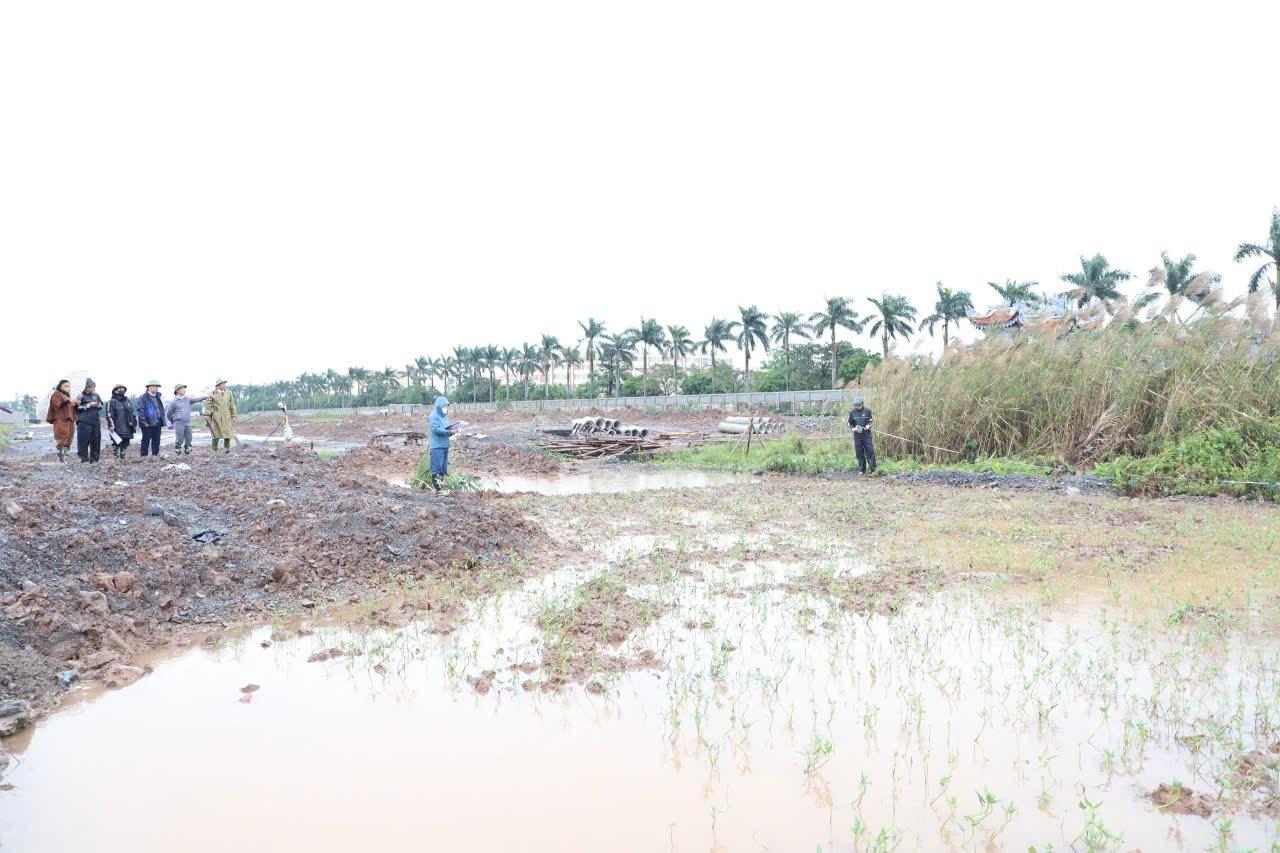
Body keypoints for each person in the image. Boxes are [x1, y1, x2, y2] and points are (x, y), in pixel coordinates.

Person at [166, 384, 207, 455]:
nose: (184, 390)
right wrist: (174, 421)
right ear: (177, 390)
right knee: (180, 437)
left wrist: (205, 397)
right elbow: (168, 414)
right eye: (182, 388)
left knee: (189, 437)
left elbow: (197, 399)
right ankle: (178, 448)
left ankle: (188, 448)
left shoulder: (188, 399)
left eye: (184, 388)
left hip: (188, 422)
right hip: (179, 423)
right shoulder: (173, 402)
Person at [427, 395, 458, 489]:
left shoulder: (445, 417)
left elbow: (446, 430)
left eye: (447, 406)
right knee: (436, 469)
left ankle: (440, 487)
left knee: (442, 469)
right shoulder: (433, 416)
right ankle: (437, 489)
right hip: (437, 446)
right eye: (444, 406)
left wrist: (453, 431)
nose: (446, 408)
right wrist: (449, 431)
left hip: (445, 445)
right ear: (439, 406)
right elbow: (436, 429)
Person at [46, 380, 77, 463]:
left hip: (70, 419)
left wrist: (75, 403)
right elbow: (57, 404)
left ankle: (65, 455)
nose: (68, 388)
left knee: (69, 436)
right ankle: (60, 456)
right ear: (60, 386)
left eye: (69, 386)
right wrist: (69, 401)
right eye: (66, 386)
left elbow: (72, 408)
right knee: (62, 436)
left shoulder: (68, 396)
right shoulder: (56, 394)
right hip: (60, 419)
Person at [202, 379, 237, 453]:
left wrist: (233, 415)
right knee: (215, 433)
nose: (224, 385)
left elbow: (232, 405)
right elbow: (208, 405)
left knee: (227, 432)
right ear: (218, 385)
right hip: (216, 416)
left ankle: (227, 447)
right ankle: (214, 449)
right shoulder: (212, 393)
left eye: (224, 383)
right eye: (222, 384)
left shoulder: (229, 393)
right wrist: (207, 414)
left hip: (226, 415)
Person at [75, 378, 105, 463]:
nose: (93, 388)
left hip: (95, 421)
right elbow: (76, 408)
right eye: (91, 387)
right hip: (83, 422)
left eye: (93, 386)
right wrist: (88, 405)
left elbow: (101, 405)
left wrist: (98, 405)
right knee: (83, 442)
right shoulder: (79, 396)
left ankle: (94, 461)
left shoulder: (96, 395)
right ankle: (84, 460)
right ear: (86, 387)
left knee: (96, 441)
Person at [134, 381, 166, 458]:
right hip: (147, 422)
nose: (157, 388)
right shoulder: (142, 397)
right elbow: (140, 410)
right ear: (149, 387)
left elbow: (160, 409)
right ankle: (143, 456)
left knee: (156, 440)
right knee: (146, 440)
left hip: (157, 422)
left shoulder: (158, 397)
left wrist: (162, 420)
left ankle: (155, 455)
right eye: (155, 387)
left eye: (157, 387)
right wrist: (144, 422)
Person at [106, 385, 138, 460]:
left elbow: (132, 413)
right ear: (115, 391)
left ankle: (123, 461)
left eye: (123, 388)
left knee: (125, 446)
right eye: (120, 388)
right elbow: (109, 415)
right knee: (117, 445)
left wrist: (134, 423)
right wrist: (110, 425)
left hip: (128, 428)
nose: (122, 389)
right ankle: (117, 461)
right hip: (117, 428)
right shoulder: (112, 402)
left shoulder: (127, 401)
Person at [847, 394, 876, 474]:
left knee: (870, 451)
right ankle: (862, 469)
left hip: (866, 435)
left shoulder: (867, 411)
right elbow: (849, 423)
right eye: (856, 406)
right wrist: (853, 428)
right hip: (857, 435)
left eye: (859, 405)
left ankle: (873, 469)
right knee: (859, 452)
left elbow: (872, 421)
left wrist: (868, 425)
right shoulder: (852, 412)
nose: (857, 407)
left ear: (862, 404)